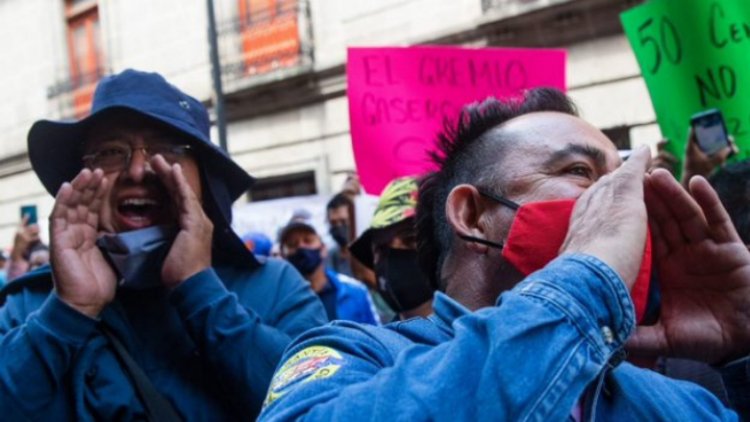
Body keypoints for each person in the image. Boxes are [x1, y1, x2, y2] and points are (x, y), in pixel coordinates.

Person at [259, 88, 750, 420]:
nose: (627, 203)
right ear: (472, 216)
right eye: (581, 172)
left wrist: (742, 355)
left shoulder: (672, 401)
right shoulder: (357, 358)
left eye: (626, 183)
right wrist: (583, 287)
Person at [0, 69, 327, 420]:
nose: (138, 170)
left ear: (204, 181)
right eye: (111, 151)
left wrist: (202, 292)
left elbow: (323, 405)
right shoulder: (27, 306)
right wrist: (67, 314)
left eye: (168, 150)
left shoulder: (276, 288)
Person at [349, 176, 434, 321]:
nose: (393, 253)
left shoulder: (480, 333)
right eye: (380, 248)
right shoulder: (378, 341)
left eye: (410, 239)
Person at [279, 214, 379, 325]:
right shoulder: (279, 301)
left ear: (323, 249)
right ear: (283, 255)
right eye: (292, 244)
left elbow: (376, 337)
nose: (301, 247)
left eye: (308, 240)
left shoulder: (355, 291)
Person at [325, 193, 356, 277]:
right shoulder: (328, 256)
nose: (338, 226)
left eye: (343, 221)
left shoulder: (373, 255)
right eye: (333, 223)